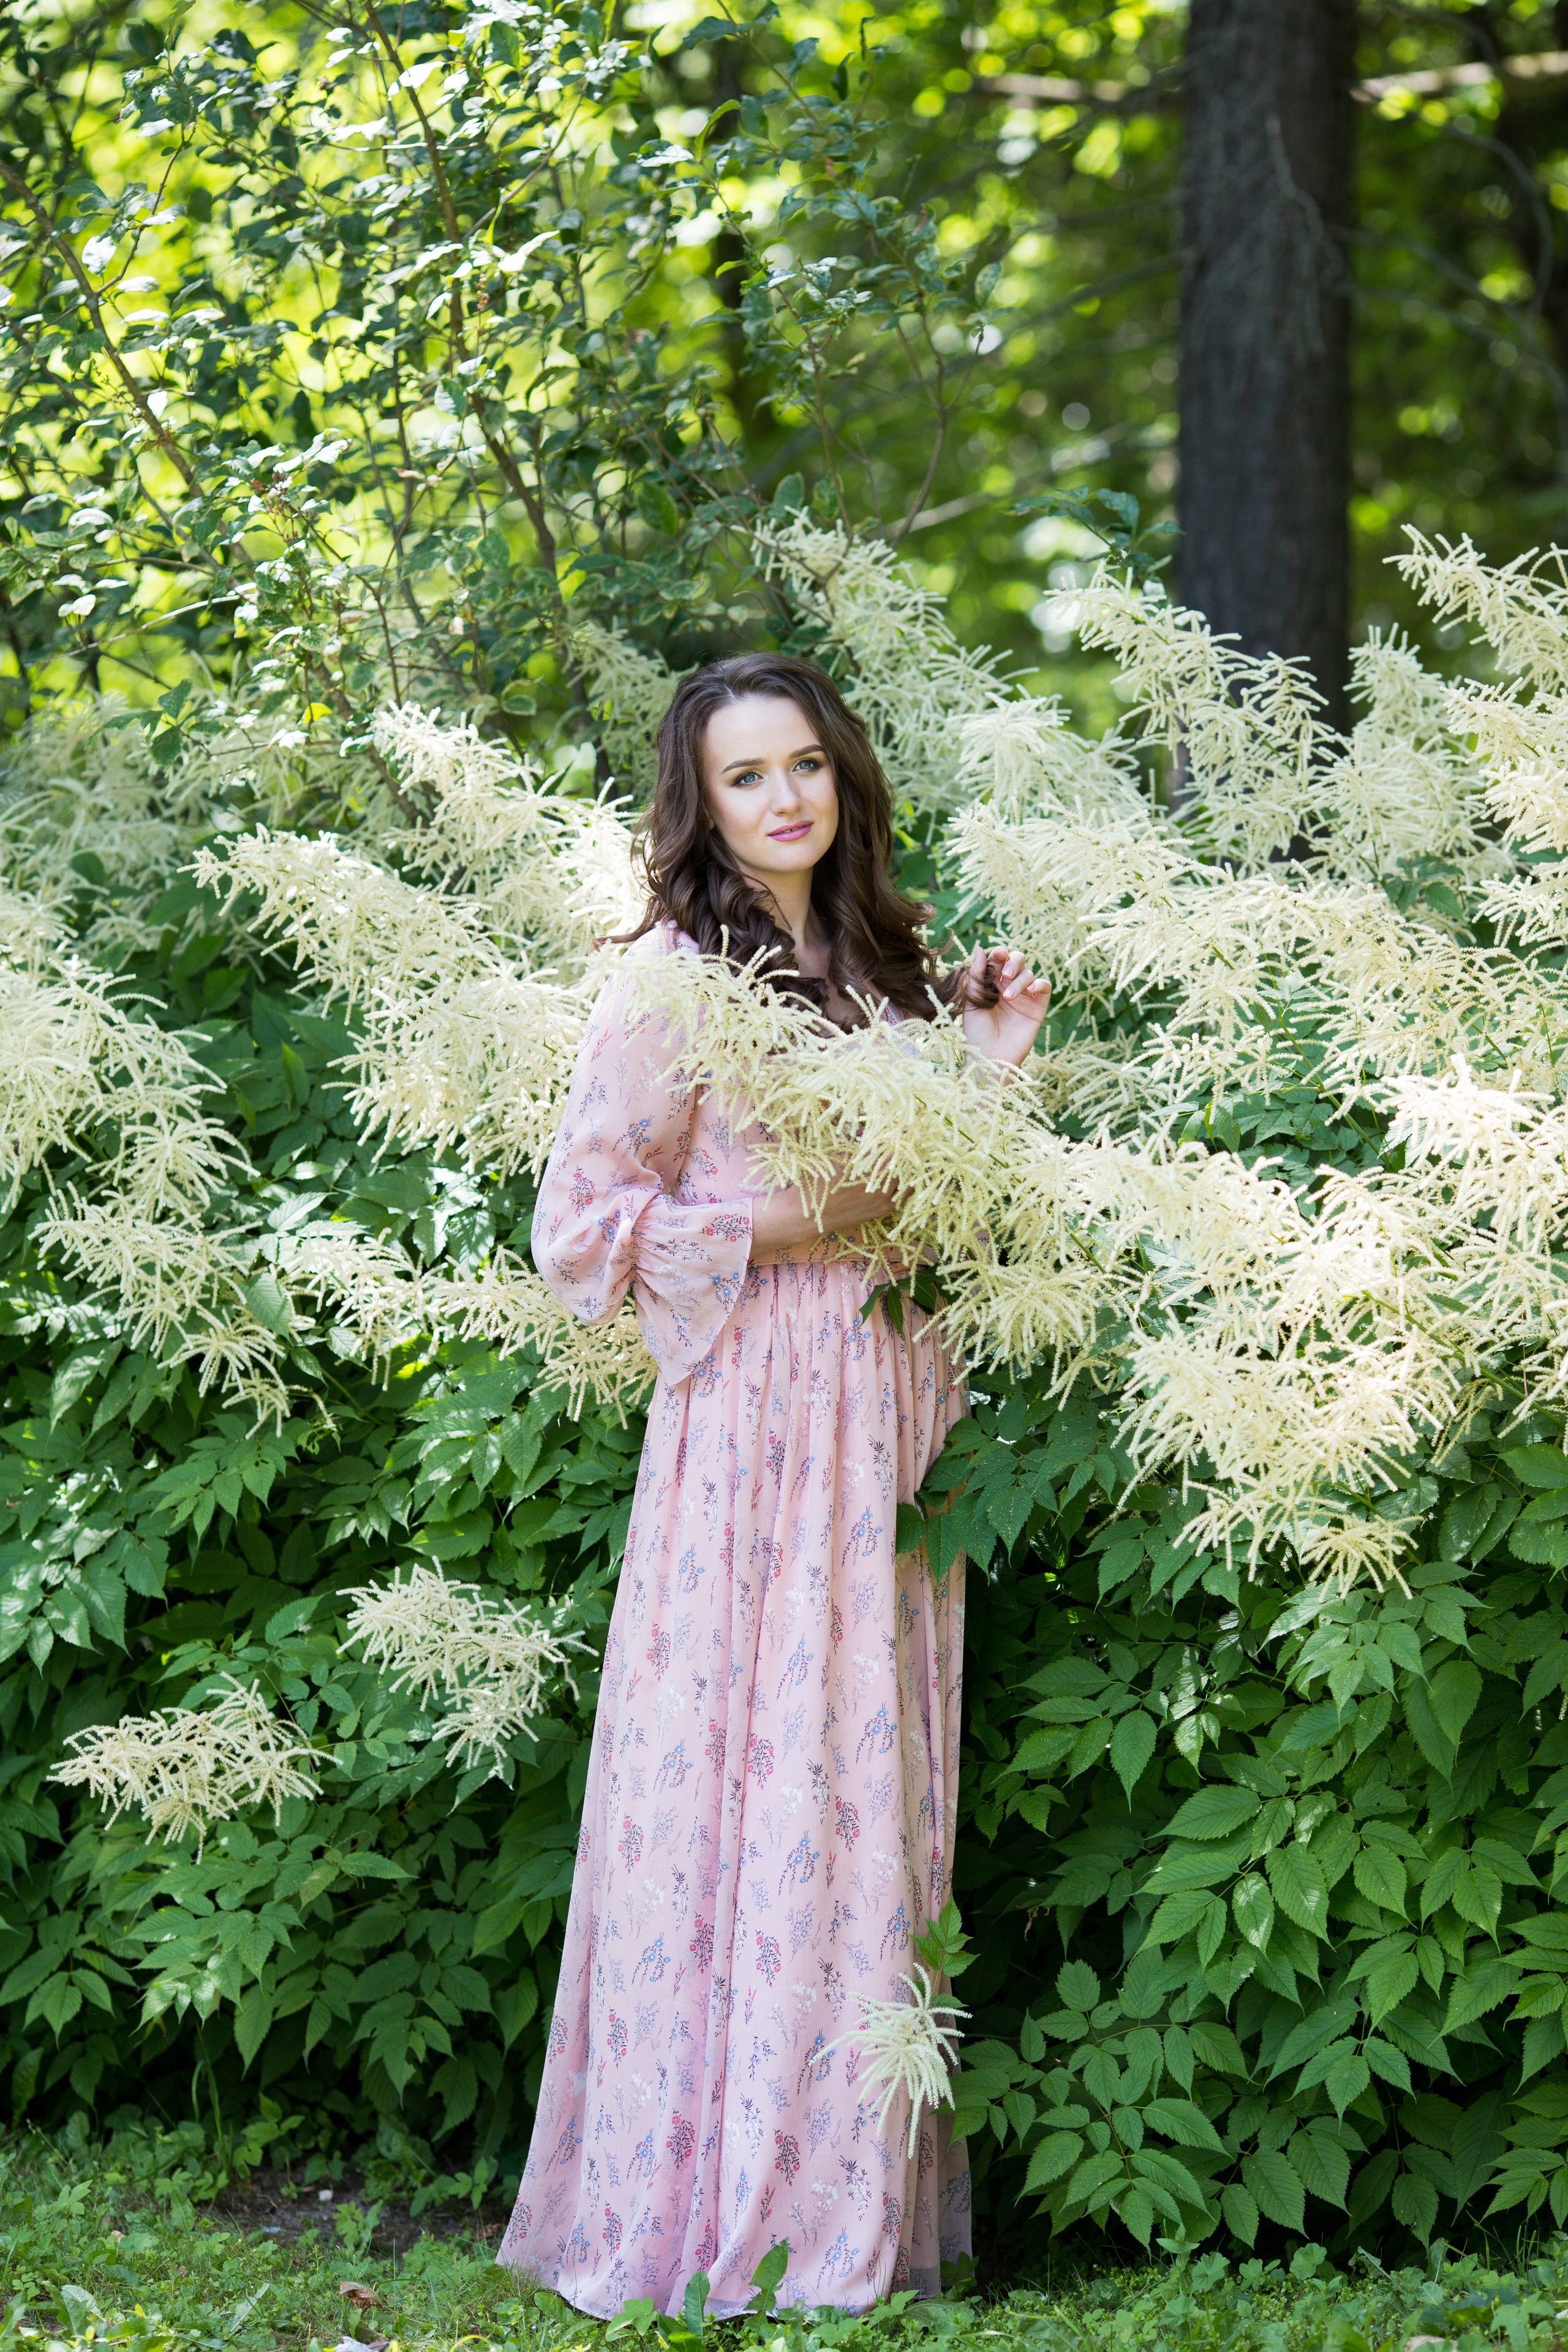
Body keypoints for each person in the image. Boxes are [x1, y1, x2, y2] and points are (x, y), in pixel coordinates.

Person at [496, 652, 1049, 2318]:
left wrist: (998, 1050)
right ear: (702, 802)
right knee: (742, 1769)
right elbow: (578, 1225)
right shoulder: (674, 976)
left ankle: (835, 2192)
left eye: (808, 763)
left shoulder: (886, 958)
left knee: (862, 1776)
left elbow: (941, 1195)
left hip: (891, 1404)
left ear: (845, 777)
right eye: (749, 776)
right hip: (750, 1420)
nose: (787, 798)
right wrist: (796, 1227)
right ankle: (707, 2193)